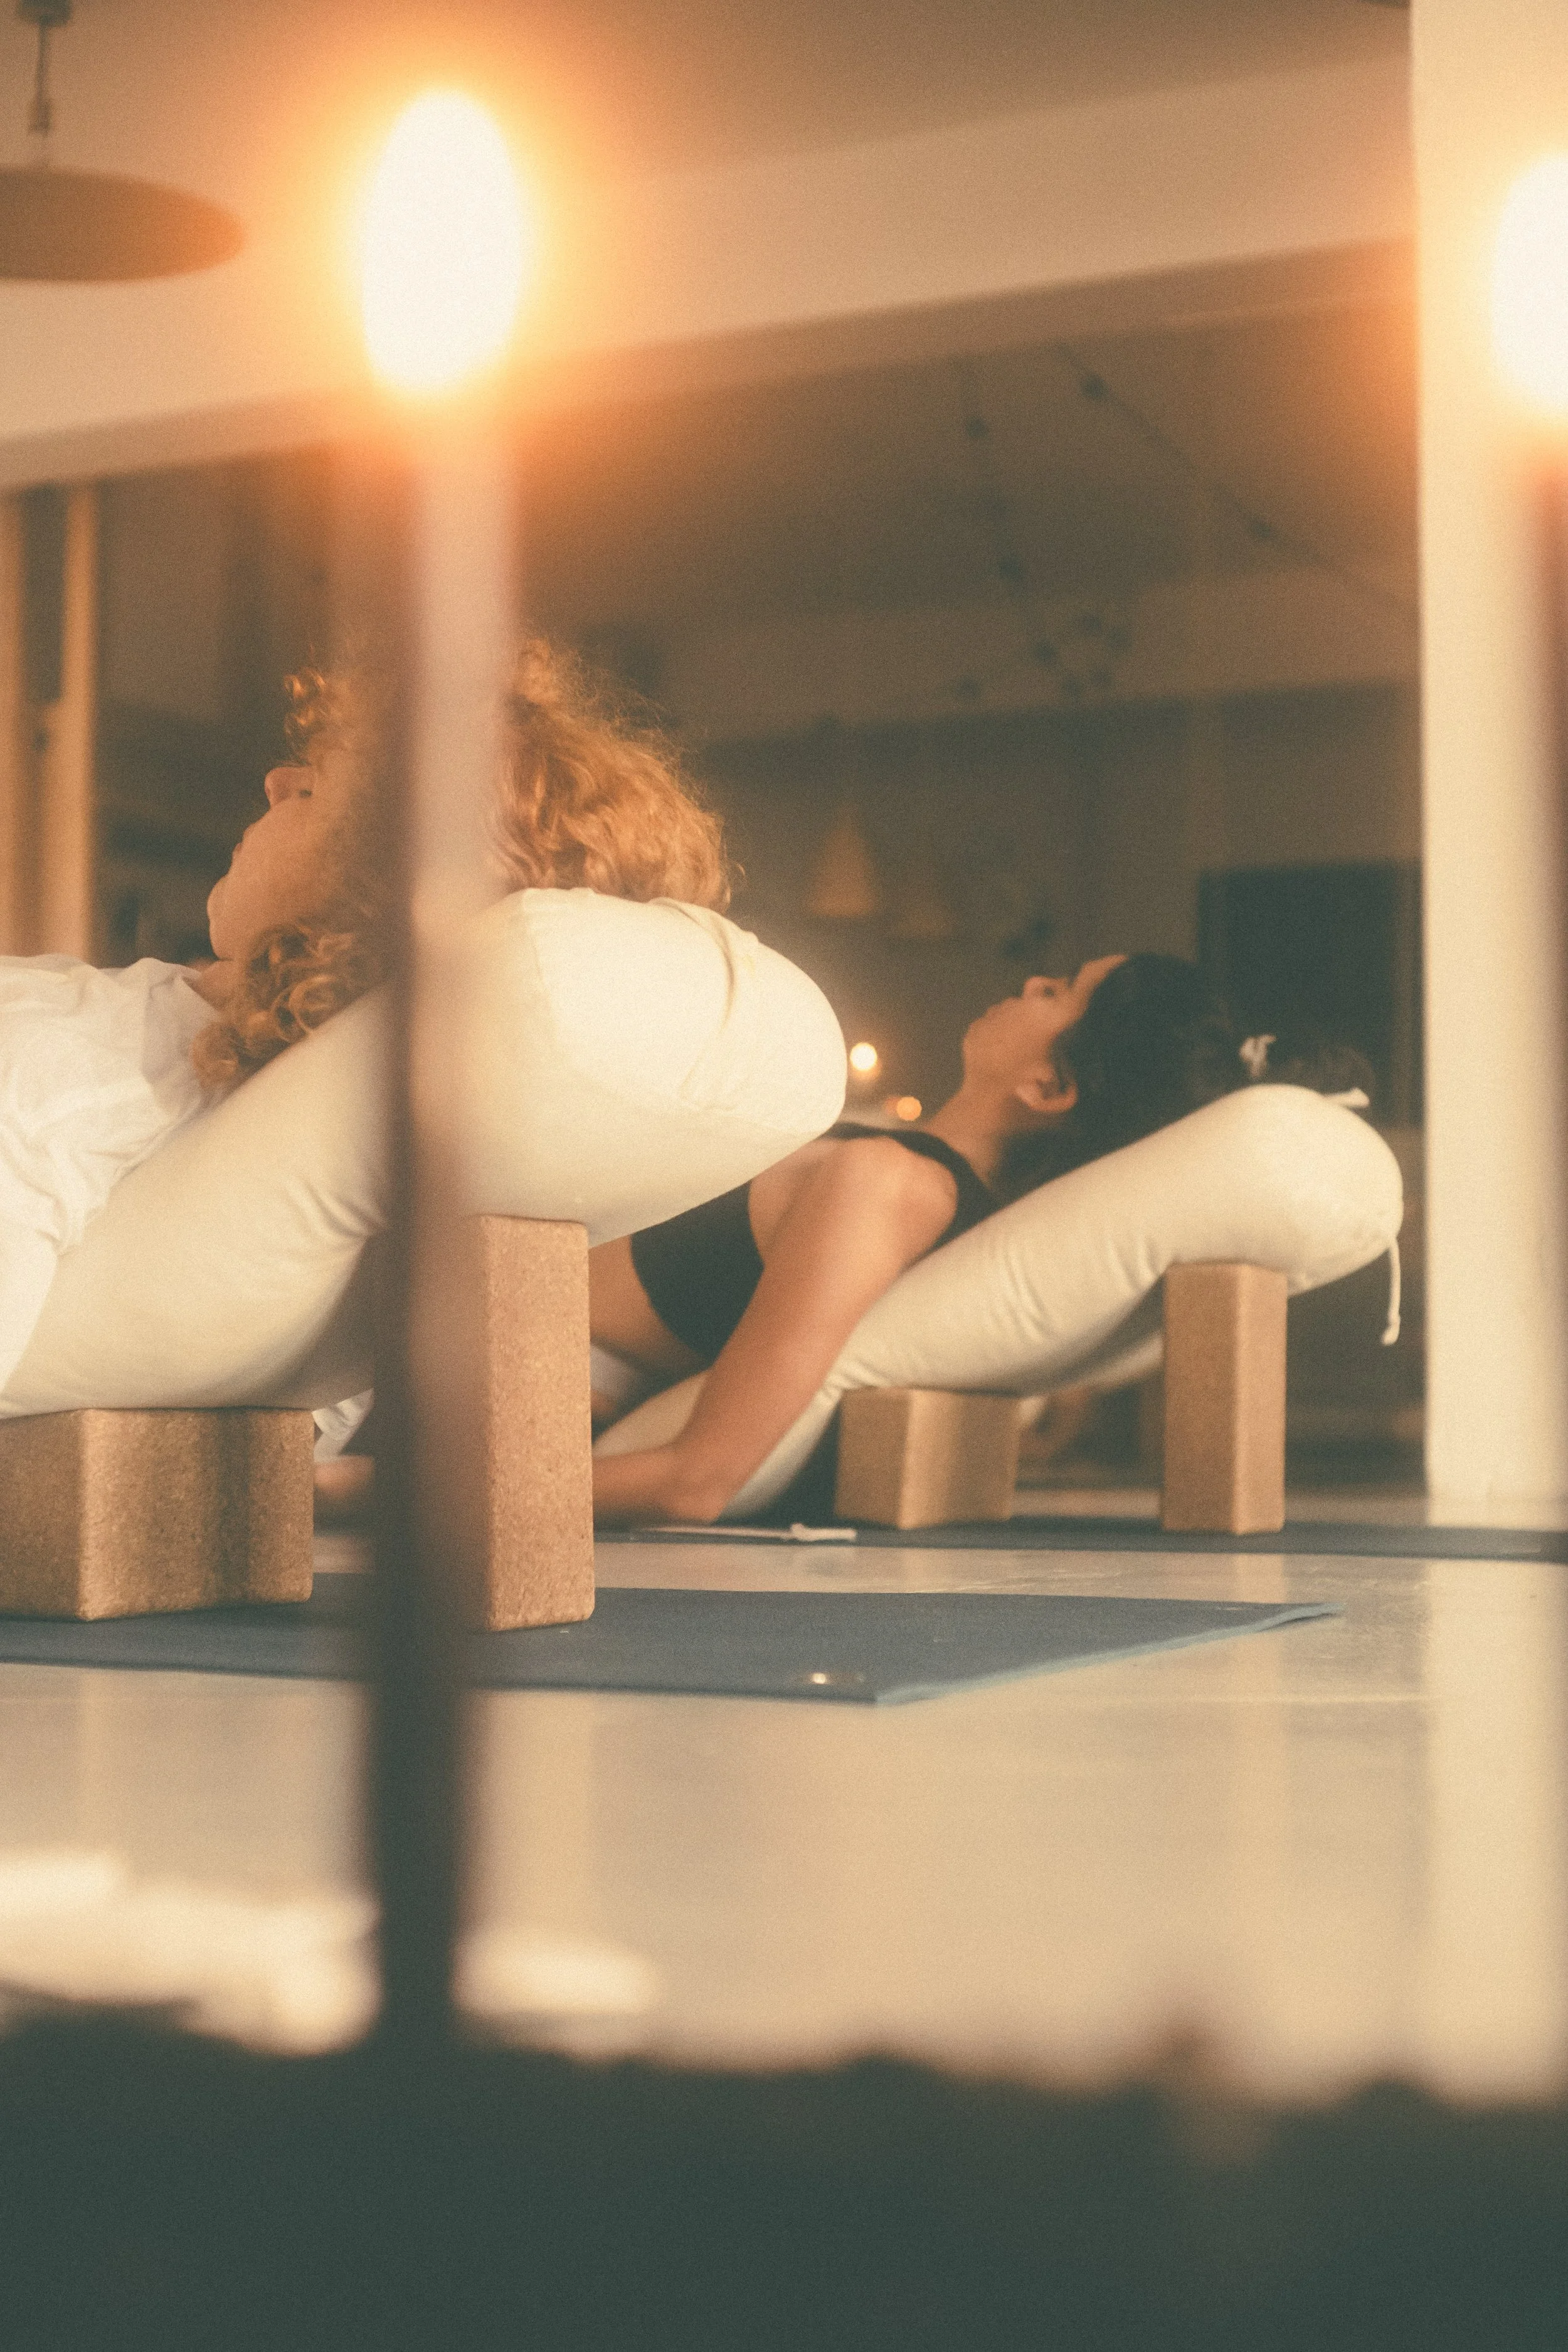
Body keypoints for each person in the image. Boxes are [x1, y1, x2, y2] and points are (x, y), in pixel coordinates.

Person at [0, 638, 729, 1402]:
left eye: (313, 790)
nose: (276, 781)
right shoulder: (134, 1040)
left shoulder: (75, 1076)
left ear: (376, 895)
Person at [588, 952, 1372, 1527]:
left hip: (526, 1373)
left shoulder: (891, 1185)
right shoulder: (919, 1185)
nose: (1032, 981)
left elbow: (697, 1480)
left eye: (1060, 993)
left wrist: (485, 1502)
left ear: (1049, 1087)